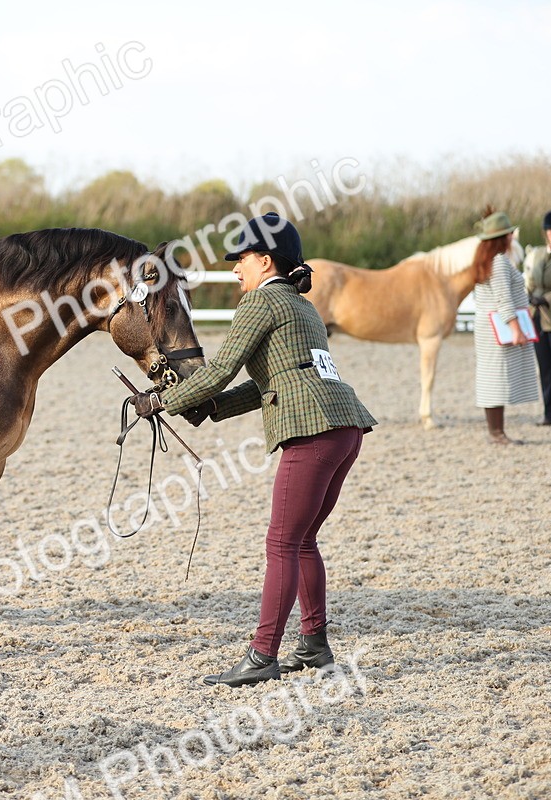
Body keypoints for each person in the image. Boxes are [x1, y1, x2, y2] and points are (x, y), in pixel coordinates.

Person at [133, 212, 376, 687]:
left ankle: (263, 655)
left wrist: (161, 401)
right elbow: (274, 380)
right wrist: (213, 408)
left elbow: (221, 368)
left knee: (282, 543)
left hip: (312, 431)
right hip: (344, 427)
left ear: (265, 261)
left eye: (241, 259)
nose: (234, 269)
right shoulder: (302, 306)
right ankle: (313, 644)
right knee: (302, 540)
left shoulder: (260, 302)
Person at [471, 211, 540, 444]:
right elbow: (504, 298)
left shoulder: (484, 260)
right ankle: (496, 432)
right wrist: (516, 329)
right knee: (496, 377)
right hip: (499, 326)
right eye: (509, 234)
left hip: (487, 326)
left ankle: (496, 431)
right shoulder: (499, 261)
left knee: (491, 376)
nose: (512, 237)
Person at [523, 208, 551, 426]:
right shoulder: (538, 254)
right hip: (537, 318)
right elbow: (531, 279)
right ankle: (549, 412)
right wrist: (527, 294)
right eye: (549, 230)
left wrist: (545, 299)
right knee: (545, 368)